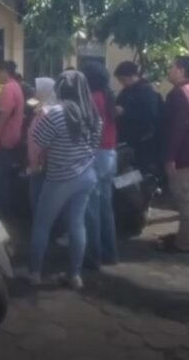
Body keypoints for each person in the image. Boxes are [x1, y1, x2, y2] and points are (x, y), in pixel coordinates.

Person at [19, 70, 101, 289]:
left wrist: (34, 165)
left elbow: (37, 142)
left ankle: (34, 273)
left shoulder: (54, 113)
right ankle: (74, 275)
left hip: (59, 178)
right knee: (77, 224)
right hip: (86, 176)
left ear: (60, 88)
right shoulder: (93, 115)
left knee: (42, 225)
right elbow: (94, 146)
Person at [159, 56, 189, 253]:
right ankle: (185, 237)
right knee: (188, 198)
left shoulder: (178, 94)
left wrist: (170, 158)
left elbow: (176, 129)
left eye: (171, 67)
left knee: (185, 199)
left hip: (181, 156)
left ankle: (184, 242)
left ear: (181, 70)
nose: (169, 70)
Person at [81, 61, 118, 268]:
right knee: (106, 207)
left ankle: (93, 258)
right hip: (110, 154)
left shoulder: (92, 99)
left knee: (91, 210)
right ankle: (110, 253)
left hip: (95, 154)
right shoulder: (108, 96)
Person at [0, 61, 25, 214]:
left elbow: (4, 115)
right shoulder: (16, 87)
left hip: (4, 138)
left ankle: (0, 210)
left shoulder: (8, 88)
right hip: (12, 137)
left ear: (4, 72)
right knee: (4, 176)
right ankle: (5, 208)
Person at [114, 61, 164, 174]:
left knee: (141, 173)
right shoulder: (126, 91)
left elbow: (150, 113)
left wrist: (125, 112)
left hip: (143, 141)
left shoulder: (146, 91)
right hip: (128, 140)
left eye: (123, 79)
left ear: (132, 76)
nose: (122, 83)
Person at [26, 77, 56, 214]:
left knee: (40, 197)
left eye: (37, 89)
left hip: (41, 162)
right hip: (40, 160)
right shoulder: (44, 108)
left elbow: (42, 140)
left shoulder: (47, 112)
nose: (34, 91)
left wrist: (36, 161)